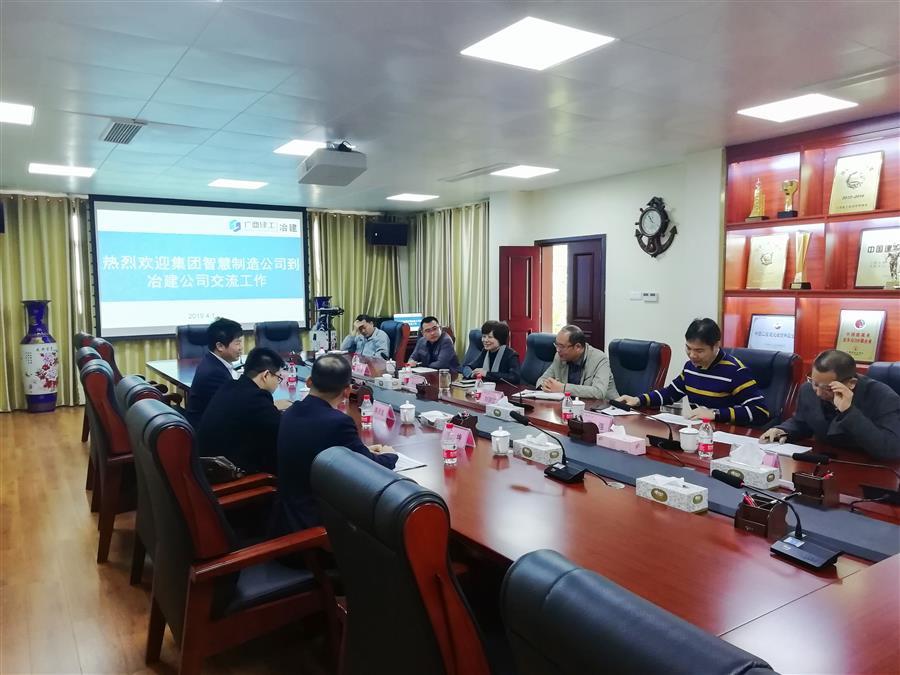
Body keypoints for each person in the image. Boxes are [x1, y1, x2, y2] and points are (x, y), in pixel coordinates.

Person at [274, 354, 398, 532]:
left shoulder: (291, 411)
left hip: (289, 514)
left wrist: (358, 451)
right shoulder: (338, 422)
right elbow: (368, 469)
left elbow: (323, 448)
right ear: (347, 391)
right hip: (316, 519)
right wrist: (390, 455)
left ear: (309, 382)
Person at [616, 318, 769, 426]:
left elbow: (760, 411)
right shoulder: (691, 367)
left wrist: (715, 414)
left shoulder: (735, 371)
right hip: (699, 432)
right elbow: (670, 393)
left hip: (727, 436)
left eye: (699, 351)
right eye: (688, 348)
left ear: (716, 346)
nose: (692, 355)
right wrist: (638, 400)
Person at [760, 350, 900, 460]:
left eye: (827, 388)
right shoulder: (808, 390)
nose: (818, 393)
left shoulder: (883, 397)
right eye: (815, 383)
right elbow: (802, 423)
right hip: (824, 461)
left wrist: (849, 412)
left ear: (851, 383)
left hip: (867, 466)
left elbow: (890, 449)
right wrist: (783, 430)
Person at [197, 347, 285, 474]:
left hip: (205, 467)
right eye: (278, 378)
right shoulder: (256, 398)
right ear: (266, 375)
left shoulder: (229, 386)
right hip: (227, 475)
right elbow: (283, 430)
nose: (278, 382)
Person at [186, 317, 243, 426]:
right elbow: (234, 408)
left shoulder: (212, 361)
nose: (241, 348)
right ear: (220, 346)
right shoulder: (215, 373)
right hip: (208, 430)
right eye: (237, 343)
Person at [537, 325, 618, 400]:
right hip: (572, 406)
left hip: (606, 408)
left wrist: (563, 388)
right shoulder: (559, 357)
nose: (558, 350)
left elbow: (599, 392)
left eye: (562, 346)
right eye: (556, 345)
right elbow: (541, 380)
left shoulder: (600, 359)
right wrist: (546, 386)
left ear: (578, 347)